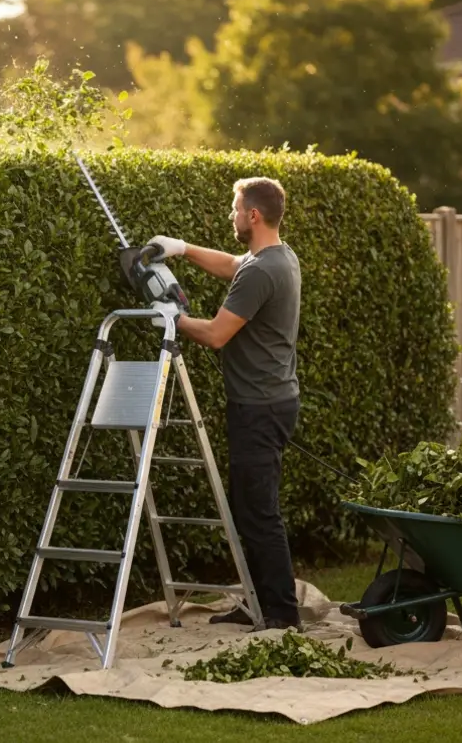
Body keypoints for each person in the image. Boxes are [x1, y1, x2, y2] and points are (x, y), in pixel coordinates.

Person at [146, 176, 302, 631]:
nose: (230, 216)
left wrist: (173, 318)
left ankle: (281, 615)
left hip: (260, 407)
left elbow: (215, 335)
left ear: (252, 215)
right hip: (269, 401)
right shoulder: (277, 257)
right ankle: (257, 603)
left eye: (235, 209)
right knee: (249, 508)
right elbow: (235, 264)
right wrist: (181, 249)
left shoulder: (262, 271)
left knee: (259, 512)